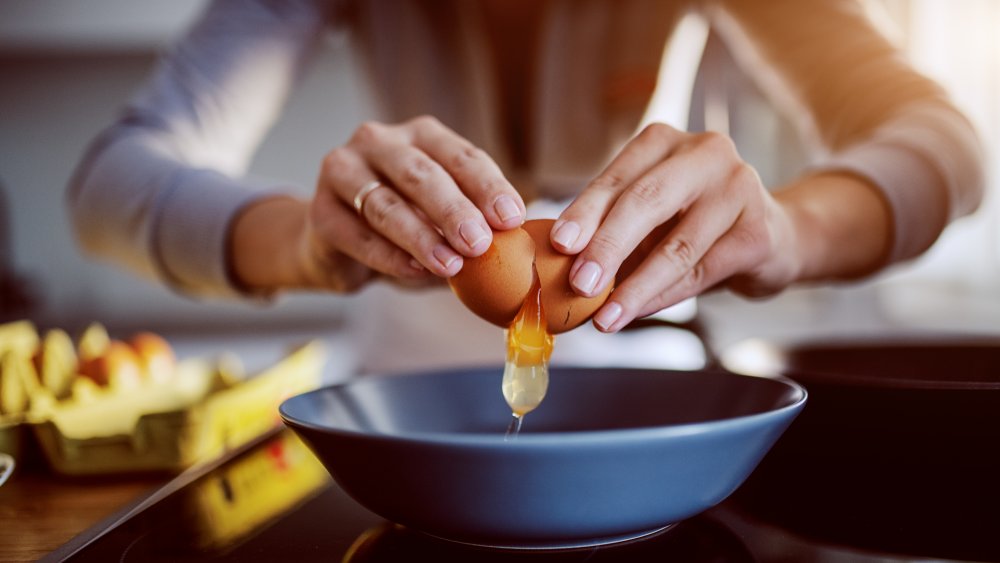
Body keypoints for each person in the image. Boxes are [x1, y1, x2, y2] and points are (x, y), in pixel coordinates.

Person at [67, 0, 983, 373]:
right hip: (404, 388)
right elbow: (109, 181)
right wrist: (305, 244)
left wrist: (790, 233)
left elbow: (949, 146)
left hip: (647, 374)